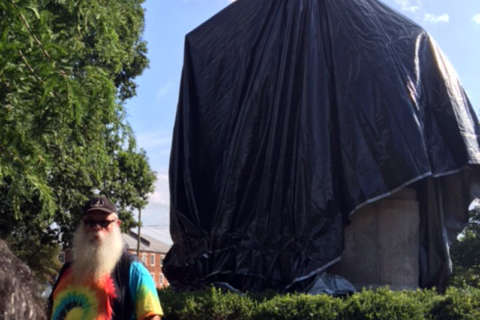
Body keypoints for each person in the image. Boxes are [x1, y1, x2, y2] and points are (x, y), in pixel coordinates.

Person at [48, 195, 163, 320]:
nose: (96, 228)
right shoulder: (67, 270)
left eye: (104, 223)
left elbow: (152, 317)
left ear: (117, 224)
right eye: (90, 222)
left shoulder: (132, 269)